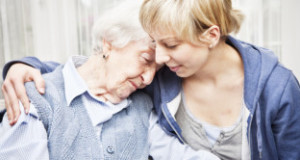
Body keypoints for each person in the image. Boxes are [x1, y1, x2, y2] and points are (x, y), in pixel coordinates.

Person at [3, 0, 300, 160]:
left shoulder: (146, 99)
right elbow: (75, 79)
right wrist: (22, 66)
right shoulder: (33, 100)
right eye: (149, 56)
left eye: (168, 48)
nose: (150, 76)